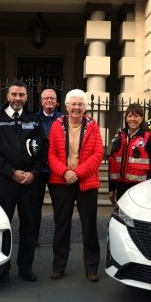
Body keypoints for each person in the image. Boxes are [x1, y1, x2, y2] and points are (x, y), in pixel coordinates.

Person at [0, 80, 48, 283]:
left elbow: (43, 150)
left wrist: (34, 173)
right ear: (8, 96)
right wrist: (12, 173)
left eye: (21, 95)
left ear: (27, 97)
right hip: (5, 182)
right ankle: (2, 267)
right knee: (4, 225)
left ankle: (25, 268)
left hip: (30, 183)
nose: (18, 98)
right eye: (14, 94)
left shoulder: (34, 121)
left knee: (29, 226)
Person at [47, 89, 104, 282]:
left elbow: (98, 154)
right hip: (61, 181)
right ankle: (58, 266)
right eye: (73, 104)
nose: (77, 108)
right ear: (66, 106)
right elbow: (51, 154)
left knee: (89, 226)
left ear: (85, 107)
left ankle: (91, 268)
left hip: (86, 182)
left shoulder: (93, 126)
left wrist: (77, 173)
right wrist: (65, 172)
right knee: (62, 225)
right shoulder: (56, 126)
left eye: (80, 104)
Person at [108, 103, 151, 205]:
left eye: (136, 116)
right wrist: (111, 189)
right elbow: (112, 163)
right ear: (126, 118)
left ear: (142, 118)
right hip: (121, 188)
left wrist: (150, 188)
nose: (133, 119)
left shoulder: (150, 137)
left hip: (141, 189)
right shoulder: (119, 136)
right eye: (130, 116)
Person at [33, 88, 63, 247]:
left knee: (59, 207)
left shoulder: (63, 119)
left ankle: (59, 240)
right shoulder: (33, 119)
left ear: (57, 101)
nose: (49, 101)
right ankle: (34, 238)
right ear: (41, 101)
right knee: (34, 207)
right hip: (38, 170)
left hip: (56, 170)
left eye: (52, 98)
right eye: (46, 98)